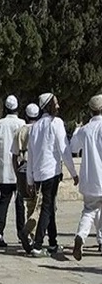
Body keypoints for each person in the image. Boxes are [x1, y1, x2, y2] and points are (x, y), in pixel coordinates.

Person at [26, 93, 78, 257]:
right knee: (47, 208)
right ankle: (38, 245)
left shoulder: (35, 127)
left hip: (40, 173)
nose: (58, 106)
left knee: (50, 207)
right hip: (51, 172)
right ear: (48, 106)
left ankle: (53, 242)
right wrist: (74, 173)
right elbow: (64, 149)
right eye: (55, 104)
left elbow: (31, 154)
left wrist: (30, 178)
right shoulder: (56, 123)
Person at [0, 95, 25, 247]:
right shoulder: (22, 123)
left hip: (5, 170)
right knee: (20, 203)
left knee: (3, 202)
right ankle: (21, 232)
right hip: (19, 170)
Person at [70, 95, 102, 261]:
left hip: (90, 180)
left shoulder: (85, 129)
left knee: (89, 211)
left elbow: (73, 147)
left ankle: (81, 236)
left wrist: (77, 129)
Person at [12, 103, 41, 246]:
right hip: (38, 170)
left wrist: (17, 173)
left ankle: (31, 235)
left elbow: (14, 155)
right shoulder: (40, 129)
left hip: (22, 169)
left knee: (30, 204)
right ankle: (29, 232)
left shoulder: (20, 131)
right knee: (41, 205)